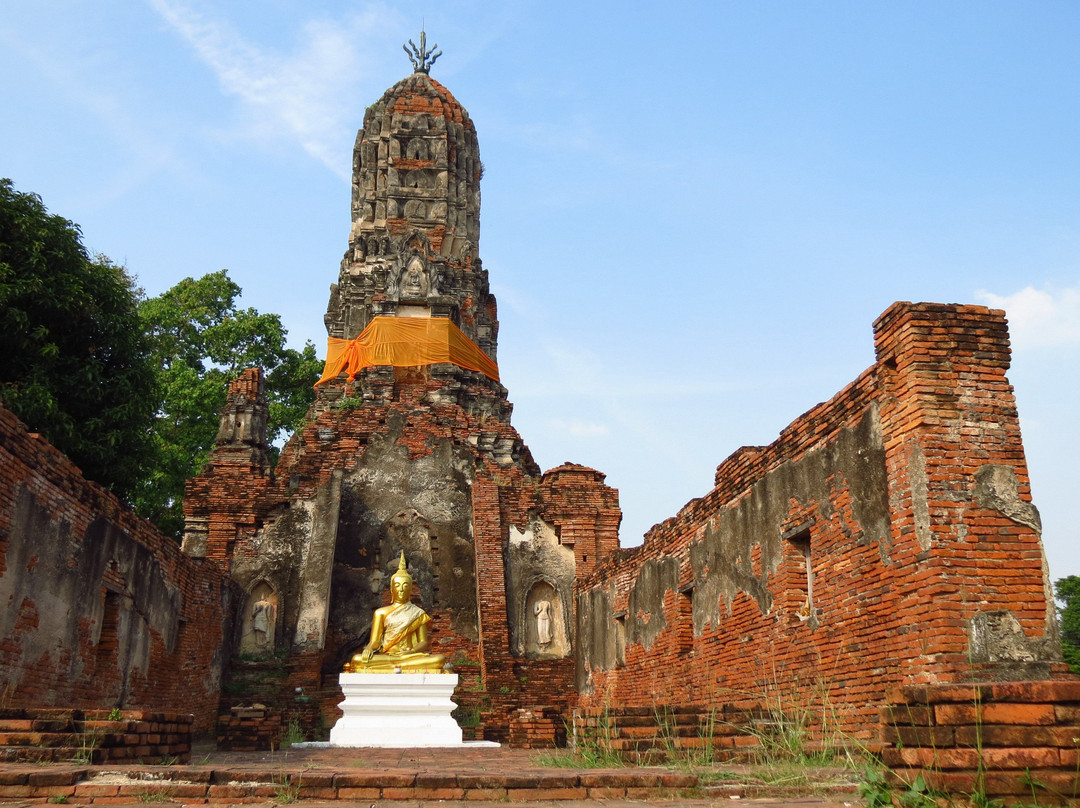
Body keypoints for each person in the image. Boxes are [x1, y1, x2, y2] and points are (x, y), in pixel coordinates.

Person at [344, 552, 447, 673]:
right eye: (397, 585)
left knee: (439, 659)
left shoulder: (418, 613)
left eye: (405, 585)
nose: (401, 589)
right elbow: (375, 641)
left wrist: (411, 652)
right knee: (357, 659)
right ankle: (395, 665)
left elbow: (423, 642)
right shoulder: (380, 613)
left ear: (410, 589)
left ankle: (392, 666)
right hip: (387, 656)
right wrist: (369, 648)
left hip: (409, 656)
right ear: (392, 589)